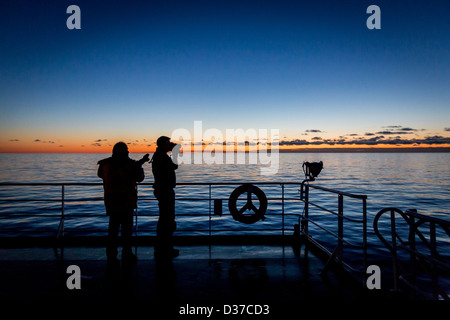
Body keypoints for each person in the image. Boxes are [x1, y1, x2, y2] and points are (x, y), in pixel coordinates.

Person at [97, 142, 149, 265]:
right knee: (126, 231)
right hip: (126, 202)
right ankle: (127, 253)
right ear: (125, 151)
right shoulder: (130, 165)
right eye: (126, 149)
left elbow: (100, 175)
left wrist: (139, 163)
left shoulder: (105, 164)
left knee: (113, 230)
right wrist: (139, 166)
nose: (128, 151)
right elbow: (140, 178)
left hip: (111, 202)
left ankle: (111, 255)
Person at [152, 136, 179, 259]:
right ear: (162, 144)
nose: (170, 145)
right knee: (167, 219)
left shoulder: (160, 155)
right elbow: (174, 166)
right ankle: (164, 248)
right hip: (165, 190)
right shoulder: (161, 156)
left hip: (163, 190)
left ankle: (162, 247)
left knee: (165, 219)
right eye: (168, 143)